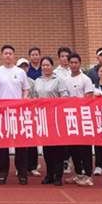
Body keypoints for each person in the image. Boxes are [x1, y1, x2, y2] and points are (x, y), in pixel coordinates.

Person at [0, 45, 30, 185]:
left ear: (14, 55)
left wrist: (24, 98)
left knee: (21, 146)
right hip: (1, 114)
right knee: (1, 146)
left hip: (17, 113)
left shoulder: (20, 72)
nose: (8, 56)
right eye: (5, 53)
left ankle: (22, 174)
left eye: (10, 53)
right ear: (2, 56)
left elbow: (26, 89)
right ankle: (1, 174)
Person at [31, 56, 69, 186]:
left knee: (57, 149)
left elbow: (65, 96)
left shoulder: (58, 80)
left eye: (48, 65)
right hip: (43, 119)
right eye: (43, 65)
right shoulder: (38, 81)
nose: (45, 67)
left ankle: (58, 175)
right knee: (47, 149)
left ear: (52, 66)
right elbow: (34, 97)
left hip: (56, 118)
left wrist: (52, 103)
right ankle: (49, 174)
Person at [61, 52, 94, 186]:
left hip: (83, 117)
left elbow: (89, 98)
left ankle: (88, 175)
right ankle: (78, 172)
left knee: (85, 147)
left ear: (80, 64)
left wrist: (77, 103)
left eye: (76, 62)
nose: (74, 65)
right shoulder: (65, 80)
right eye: (71, 63)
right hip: (70, 118)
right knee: (73, 147)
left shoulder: (85, 79)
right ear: (68, 64)